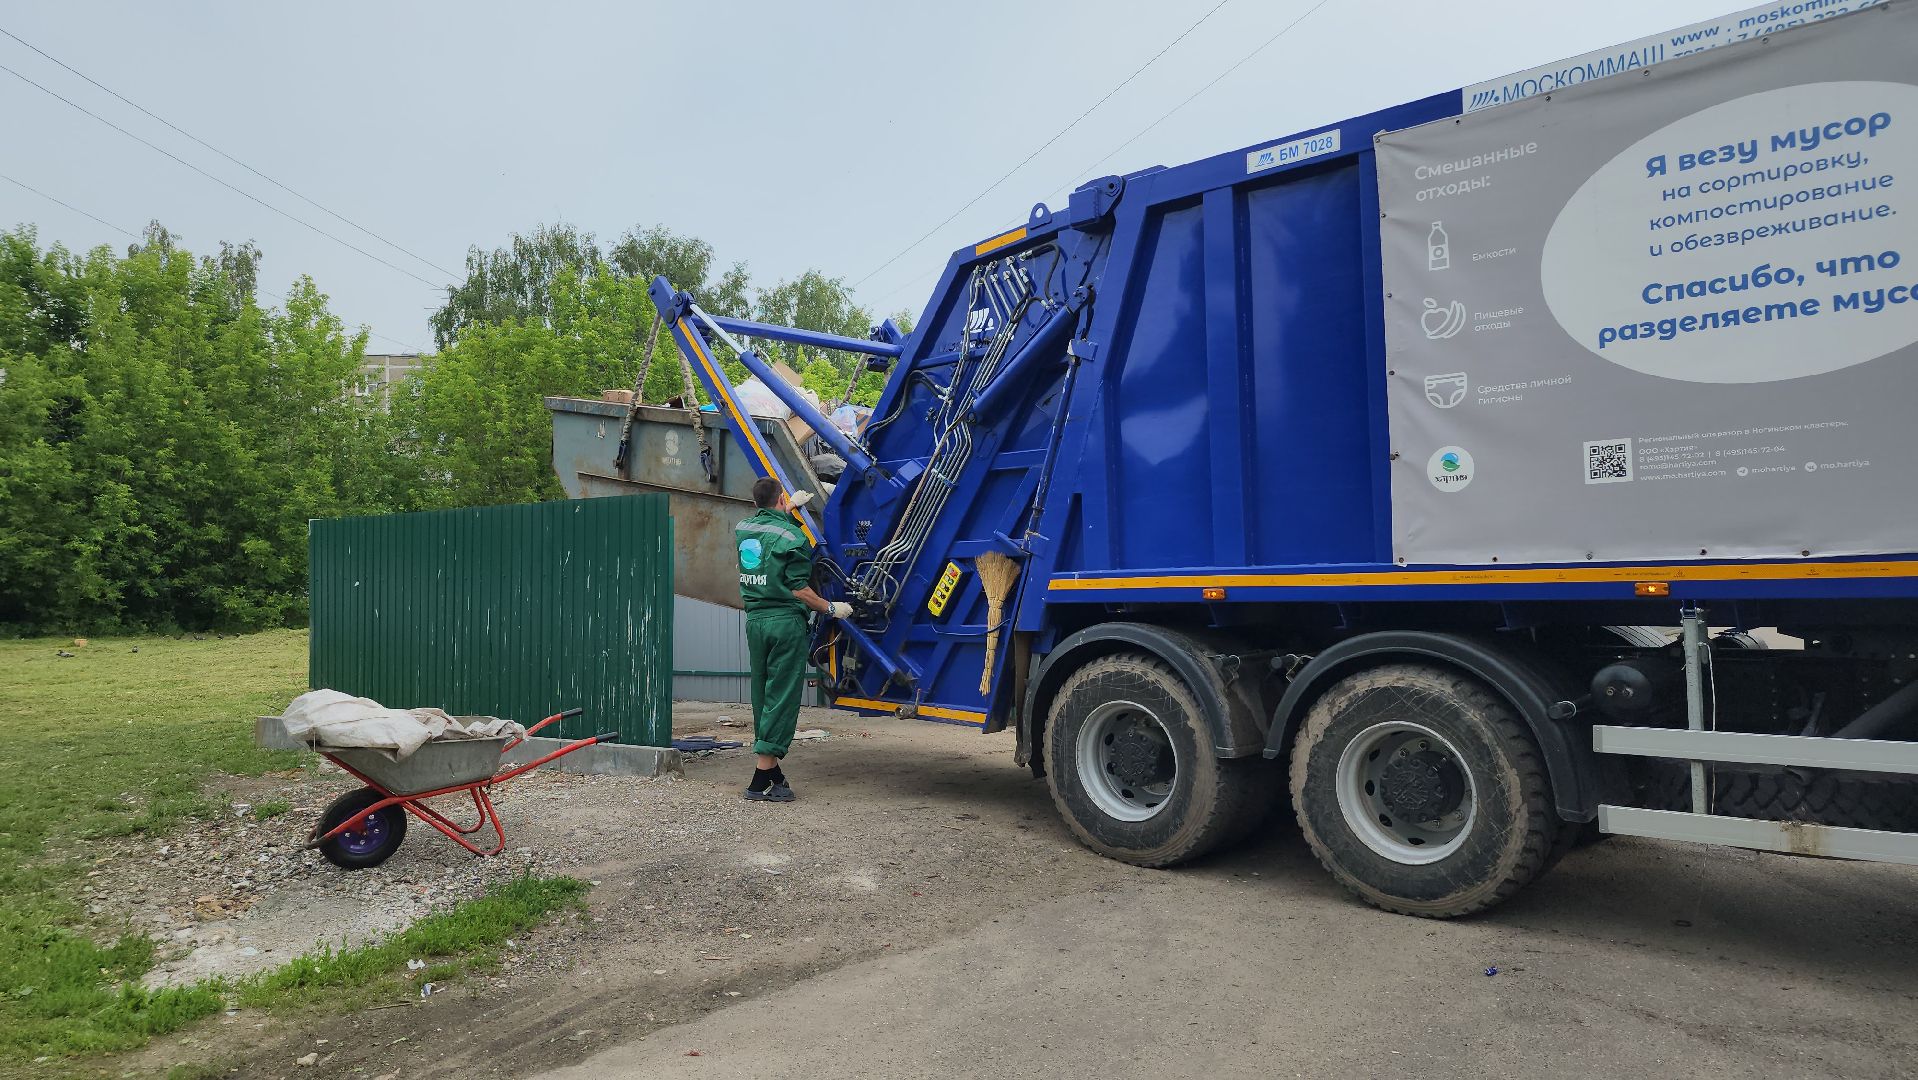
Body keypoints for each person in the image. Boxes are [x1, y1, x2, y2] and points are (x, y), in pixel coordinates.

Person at [735, 476, 850, 802]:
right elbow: (800, 589)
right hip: (785, 623)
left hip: (755, 621)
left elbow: (768, 538)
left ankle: (773, 777)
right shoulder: (794, 537)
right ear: (781, 498)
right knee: (782, 697)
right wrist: (832, 607)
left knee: (763, 693)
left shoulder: (743, 529)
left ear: (755, 501)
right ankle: (759, 780)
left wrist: (790, 510)